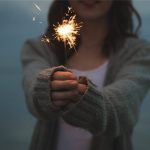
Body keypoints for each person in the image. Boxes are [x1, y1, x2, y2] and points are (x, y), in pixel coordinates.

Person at [21, 0, 150, 150]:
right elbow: (33, 91)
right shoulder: (39, 48)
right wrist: (46, 88)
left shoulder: (138, 53)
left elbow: (123, 109)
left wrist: (82, 96)